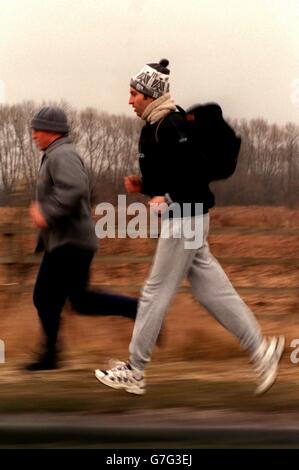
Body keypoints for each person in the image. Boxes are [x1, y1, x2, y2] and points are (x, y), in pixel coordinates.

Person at [95, 59, 285, 396]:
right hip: (184, 217)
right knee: (211, 291)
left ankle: (135, 369)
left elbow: (195, 179)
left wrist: (167, 198)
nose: (129, 101)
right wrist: (144, 187)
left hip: (186, 217)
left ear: (150, 94)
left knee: (155, 291)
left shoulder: (172, 127)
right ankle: (261, 348)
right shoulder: (153, 128)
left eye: (133, 94)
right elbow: (173, 175)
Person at [27, 106, 138, 370]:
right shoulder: (59, 154)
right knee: (78, 301)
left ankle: (50, 356)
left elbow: (76, 188)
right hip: (69, 242)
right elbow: (88, 189)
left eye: (37, 129)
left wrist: (47, 212)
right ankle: (137, 310)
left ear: (52, 131)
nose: (33, 135)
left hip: (70, 244)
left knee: (45, 297)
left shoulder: (61, 154)